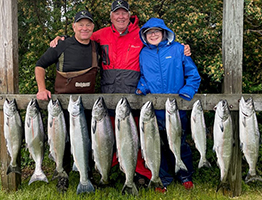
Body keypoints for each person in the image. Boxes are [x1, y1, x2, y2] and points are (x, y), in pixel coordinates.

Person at [49, 0, 192, 189]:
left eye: (124, 13)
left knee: (136, 139)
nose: (121, 16)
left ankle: (140, 174)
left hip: (135, 95)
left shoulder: (140, 34)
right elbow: (82, 37)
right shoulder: (101, 35)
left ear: (129, 15)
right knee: (107, 138)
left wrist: (181, 47)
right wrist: (62, 39)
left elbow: (159, 45)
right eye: (117, 13)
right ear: (111, 16)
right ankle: (105, 172)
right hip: (108, 93)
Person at [35, 9, 99, 193]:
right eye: (81, 24)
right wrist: (41, 89)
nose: (84, 28)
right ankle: (61, 174)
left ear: (93, 27)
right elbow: (40, 65)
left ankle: (87, 174)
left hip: (86, 107)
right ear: (74, 27)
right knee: (60, 143)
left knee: (87, 142)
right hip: (62, 106)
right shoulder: (62, 45)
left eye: (88, 24)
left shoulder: (97, 47)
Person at [136, 18, 201, 190]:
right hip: (154, 110)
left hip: (176, 109)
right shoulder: (143, 54)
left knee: (179, 142)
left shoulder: (179, 49)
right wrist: (142, 87)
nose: (154, 34)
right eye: (149, 32)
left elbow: (193, 75)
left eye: (157, 31)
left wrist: (187, 91)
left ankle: (185, 175)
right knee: (156, 144)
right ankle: (162, 178)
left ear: (165, 32)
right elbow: (143, 76)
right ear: (144, 35)